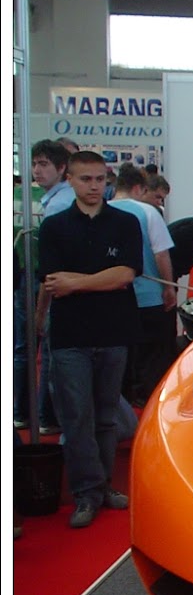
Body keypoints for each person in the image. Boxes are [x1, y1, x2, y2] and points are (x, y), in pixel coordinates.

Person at [35, 150, 142, 529]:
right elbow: (52, 281)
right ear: (71, 180)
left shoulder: (126, 222)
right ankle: (87, 491)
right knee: (77, 417)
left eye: (100, 179)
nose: (94, 186)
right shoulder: (54, 227)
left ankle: (103, 484)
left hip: (114, 331)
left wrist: (77, 282)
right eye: (86, 179)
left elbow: (125, 275)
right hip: (70, 336)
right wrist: (102, 279)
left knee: (106, 417)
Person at [109, 164, 177, 407]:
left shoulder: (103, 211)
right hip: (148, 296)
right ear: (139, 188)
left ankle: (123, 399)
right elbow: (161, 254)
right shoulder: (148, 212)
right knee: (153, 354)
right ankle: (149, 398)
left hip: (113, 296)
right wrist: (169, 287)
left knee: (120, 355)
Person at [15, 139, 70, 432]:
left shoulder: (59, 203)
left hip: (46, 280)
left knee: (38, 348)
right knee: (38, 348)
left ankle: (39, 415)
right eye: (35, 164)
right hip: (39, 277)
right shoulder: (52, 200)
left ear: (61, 168)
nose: (37, 170)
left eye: (44, 164)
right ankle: (37, 414)